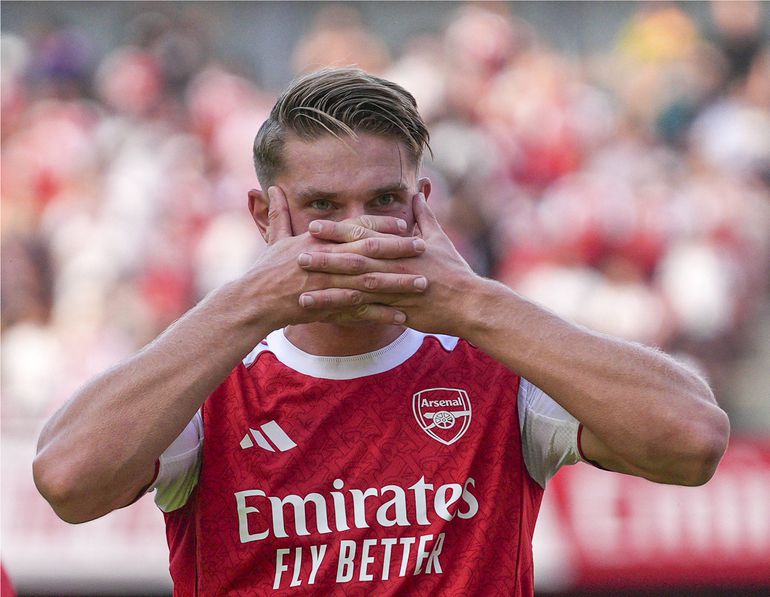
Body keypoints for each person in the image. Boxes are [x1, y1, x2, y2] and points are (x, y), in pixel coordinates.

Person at [33, 67, 730, 596]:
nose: (359, 228)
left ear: (423, 205)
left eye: (385, 200)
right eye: (324, 206)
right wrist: (249, 303)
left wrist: (472, 303)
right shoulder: (210, 377)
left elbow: (693, 440)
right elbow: (67, 479)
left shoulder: (493, 360)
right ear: (262, 213)